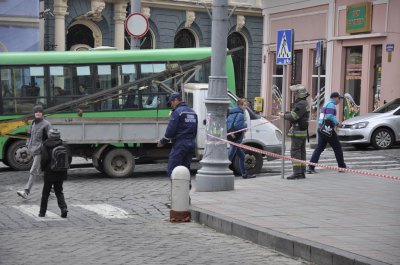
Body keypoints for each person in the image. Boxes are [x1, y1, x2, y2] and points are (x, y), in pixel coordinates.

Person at [157, 92, 198, 178]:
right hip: (191, 144)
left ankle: (176, 190)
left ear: (176, 100)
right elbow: (195, 130)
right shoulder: (193, 112)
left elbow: (170, 131)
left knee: (172, 169)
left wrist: (162, 142)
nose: (171, 105)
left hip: (180, 144)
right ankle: (186, 189)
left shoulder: (177, 112)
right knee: (185, 169)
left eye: (171, 102)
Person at [306, 92, 347, 174]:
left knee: (319, 148)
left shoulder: (326, 104)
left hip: (322, 129)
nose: (339, 101)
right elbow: (329, 116)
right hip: (327, 130)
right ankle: (341, 166)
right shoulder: (331, 104)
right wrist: (337, 123)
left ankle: (311, 167)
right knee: (337, 147)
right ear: (335, 98)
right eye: (339, 98)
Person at [17, 104, 52, 199]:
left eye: (40, 111)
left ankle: (26, 192)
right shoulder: (32, 122)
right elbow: (29, 135)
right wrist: (28, 145)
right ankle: (51, 188)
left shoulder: (47, 124)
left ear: (43, 113)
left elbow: (50, 139)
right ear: (34, 113)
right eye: (36, 111)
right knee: (40, 170)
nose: (38, 113)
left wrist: (44, 148)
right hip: (32, 150)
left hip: (40, 151)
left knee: (33, 170)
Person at [279, 84, 310, 179]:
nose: (294, 95)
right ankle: (302, 172)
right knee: (301, 152)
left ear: (299, 94)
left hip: (297, 132)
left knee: (295, 152)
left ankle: (297, 173)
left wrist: (284, 116)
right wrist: (287, 113)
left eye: (295, 93)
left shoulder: (301, 104)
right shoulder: (304, 103)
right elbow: (295, 113)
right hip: (302, 132)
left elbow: (294, 116)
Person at [38, 129, 68, 218]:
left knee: (45, 193)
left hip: (49, 172)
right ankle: (63, 209)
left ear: (49, 135)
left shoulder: (46, 145)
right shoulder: (64, 144)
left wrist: (42, 169)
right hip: (61, 171)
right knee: (59, 191)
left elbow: (44, 159)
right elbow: (69, 158)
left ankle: (42, 212)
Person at [227, 98, 255, 179]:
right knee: (230, 156)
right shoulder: (240, 114)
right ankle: (223, 170)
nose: (246, 107)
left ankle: (244, 174)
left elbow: (228, 122)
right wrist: (245, 125)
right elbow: (237, 126)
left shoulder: (232, 112)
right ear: (240, 105)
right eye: (245, 105)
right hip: (236, 138)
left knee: (242, 156)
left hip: (231, 136)